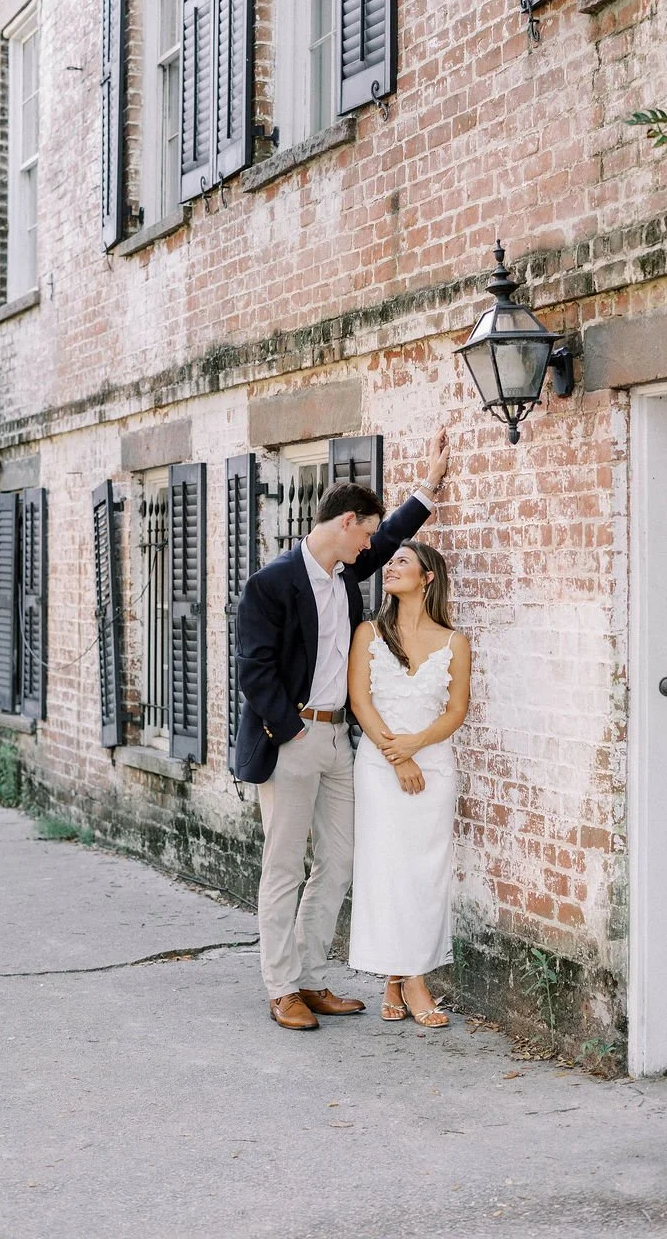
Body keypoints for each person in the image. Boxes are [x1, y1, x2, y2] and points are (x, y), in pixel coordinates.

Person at [235, 428, 450, 1031]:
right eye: (366, 533)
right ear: (347, 523)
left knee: (337, 862)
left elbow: (393, 534)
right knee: (284, 867)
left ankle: (309, 977)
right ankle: (281, 988)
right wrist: (290, 730)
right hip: (292, 739)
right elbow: (253, 669)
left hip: (339, 742)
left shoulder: (344, 576)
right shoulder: (272, 582)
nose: (371, 547)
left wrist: (429, 486)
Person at [347, 540, 471, 1028]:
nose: (391, 567)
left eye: (402, 562)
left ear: (427, 578)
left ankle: (400, 977)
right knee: (388, 869)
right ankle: (412, 978)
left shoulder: (454, 642)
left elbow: (456, 711)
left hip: (434, 765)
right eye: (391, 562)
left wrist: (416, 745)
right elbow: (360, 701)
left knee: (425, 872)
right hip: (380, 767)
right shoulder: (369, 633)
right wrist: (397, 757)